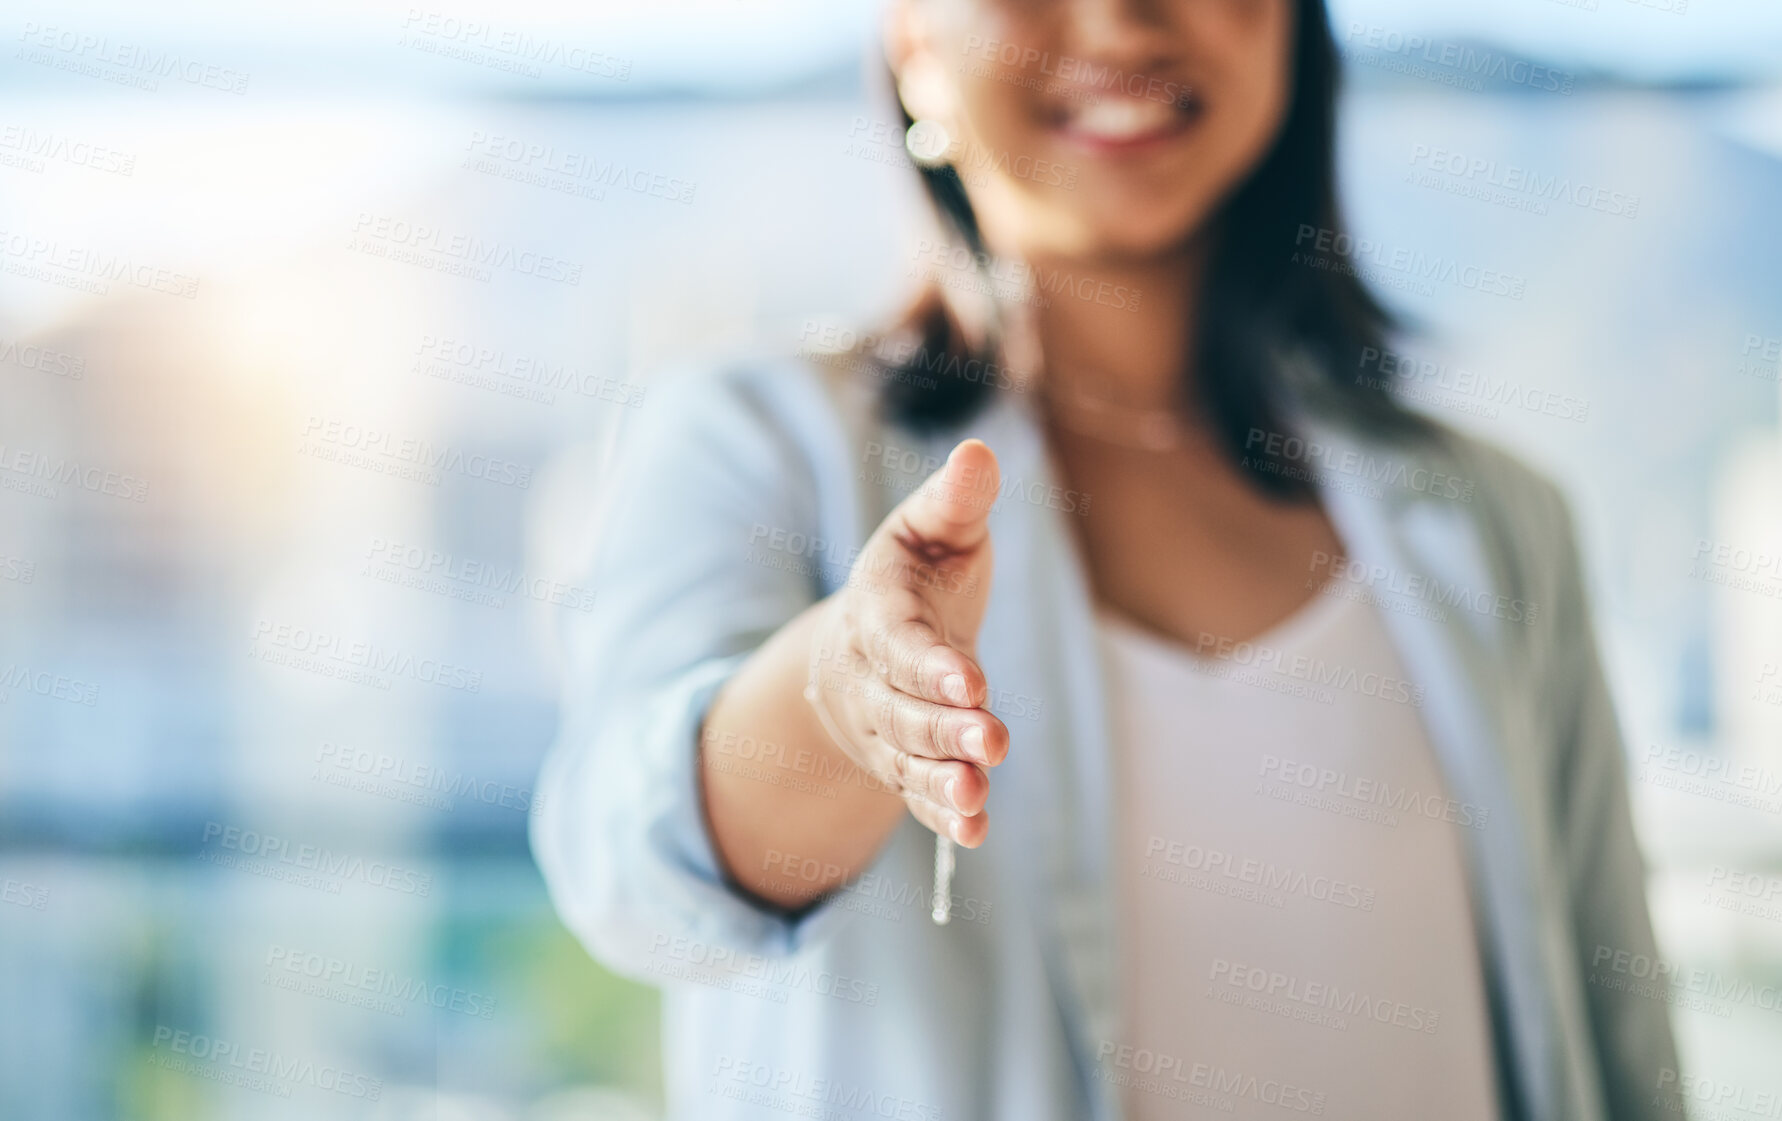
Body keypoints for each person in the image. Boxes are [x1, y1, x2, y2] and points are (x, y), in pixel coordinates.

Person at [532, 1, 1680, 1117]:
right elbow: (638, 876)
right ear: (915, 43)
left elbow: (1617, 1022)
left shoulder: (1496, 520)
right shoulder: (751, 439)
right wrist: (843, 693)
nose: (1122, 22)